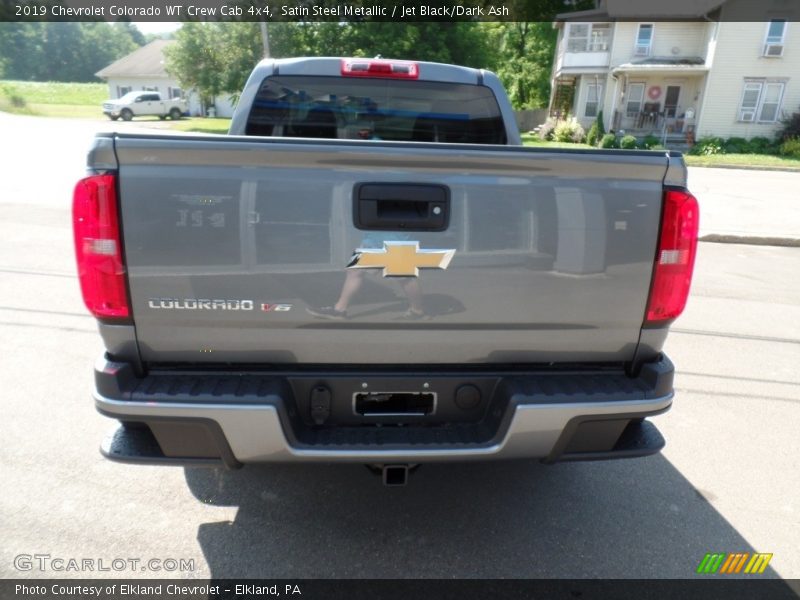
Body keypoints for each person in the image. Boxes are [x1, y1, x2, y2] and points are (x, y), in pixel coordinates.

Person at [307, 233, 428, 321]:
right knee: (354, 272)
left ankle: (417, 310)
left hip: (396, 241)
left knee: (404, 278)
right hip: (372, 239)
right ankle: (339, 310)